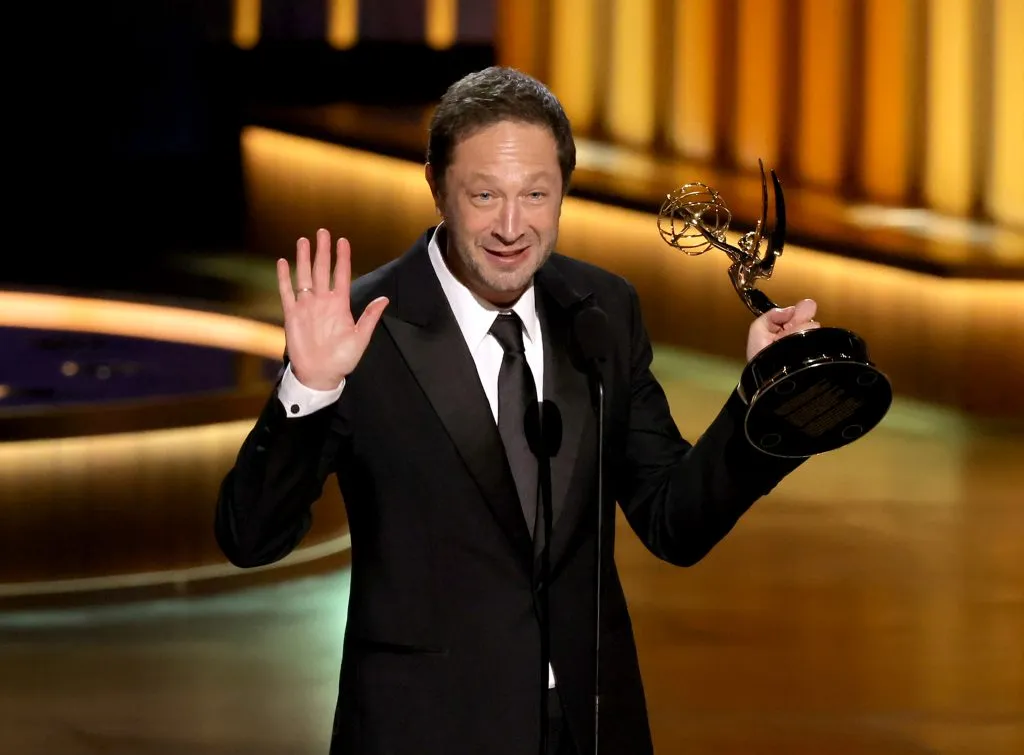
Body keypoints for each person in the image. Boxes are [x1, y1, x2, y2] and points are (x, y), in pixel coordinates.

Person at [215, 66, 817, 755]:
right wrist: (310, 388)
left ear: (563, 190)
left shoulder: (602, 311)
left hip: (587, 727)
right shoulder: (362, 329)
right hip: (426, 731)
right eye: (484, 194)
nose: (511, 226)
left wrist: (765, 404)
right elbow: (250, 536)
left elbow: (672, 520)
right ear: (437, 186)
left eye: (536, 194)